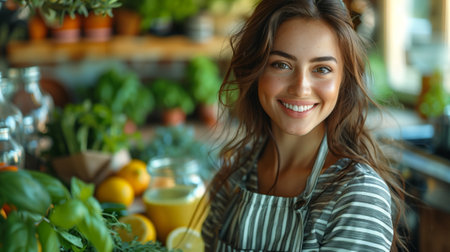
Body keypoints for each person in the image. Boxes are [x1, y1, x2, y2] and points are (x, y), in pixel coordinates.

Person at [201, 0, 407, 251]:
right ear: (256, 70)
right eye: (281, 64)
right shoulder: (238, 171)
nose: (300, 87)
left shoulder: (357, 195)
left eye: (322, 69)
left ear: (344, 81)